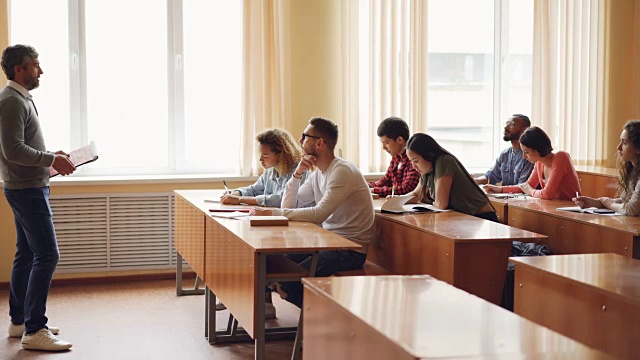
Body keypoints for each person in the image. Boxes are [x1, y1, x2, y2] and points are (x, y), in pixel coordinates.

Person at [251, 117, 375, 307]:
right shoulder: (317, 173)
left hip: (349, 249)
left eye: (304, 136)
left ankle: (332, 323)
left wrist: (274, 213)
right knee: (272, 262)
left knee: (290, 283)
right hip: (328, 243)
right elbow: (290, 205)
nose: (300, 142)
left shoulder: (341, 171)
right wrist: (297, 173)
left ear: (320, 142)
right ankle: (318, 319)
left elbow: (319, 214)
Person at [0, 45, 75, 351]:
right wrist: (50, 160)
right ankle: (34, 329)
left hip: (27, 186)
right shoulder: (12, 101)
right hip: (27, 189)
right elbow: (13, 150)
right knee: (47, 255)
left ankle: (20, 321)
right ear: (19, 69)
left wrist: (51, 156)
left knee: (28, 254)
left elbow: (21, 144)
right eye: (35, 65)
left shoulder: (18, 98)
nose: (40, 71)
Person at [403, 133, 498, 221]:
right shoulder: (427, 170)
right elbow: (416, 195)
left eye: (416, 161)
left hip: (482, 219)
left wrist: (429, 203)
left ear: (429, 155)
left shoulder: (444, 161)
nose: (413, 166)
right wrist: (395, 200)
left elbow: (441, 204)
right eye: (411, 161)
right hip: (463, 219)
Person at [485, 126, 581, 200]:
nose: (524, 156)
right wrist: (500, 189)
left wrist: (530, 191)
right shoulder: (539, 163)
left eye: (527, 152)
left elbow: (547, 194)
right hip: (554, 209)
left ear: (538, 148)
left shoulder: (561, 157)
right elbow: (526, 186)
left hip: (571, 210)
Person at [221, 129, 306, 206]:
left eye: (265, 156)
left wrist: (240, 199)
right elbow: (254, 190)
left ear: (281, 154)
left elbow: (281, 199)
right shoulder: (270, 170)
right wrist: (236, 193)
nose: (260, 159)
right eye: (260, 154)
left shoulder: (299, 171)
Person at [574, 120, 640, 215]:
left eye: (624, 143)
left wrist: (608, 203)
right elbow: (624, 201)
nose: (619, 147)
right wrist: (597, 202)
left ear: (638, 148)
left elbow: (631, 209)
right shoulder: (633, 170)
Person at [474, 114, 534, 185]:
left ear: (524, 130)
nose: (506, 127)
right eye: (506, 124)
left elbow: (523, 186)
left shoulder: (530, 155)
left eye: (511, 124)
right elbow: (492, 176)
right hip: (507, 195)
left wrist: (499, 190)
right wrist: (475, 181)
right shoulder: (505, 154)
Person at [368, 117, 420, 196]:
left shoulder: (414, 158)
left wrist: (374, 190)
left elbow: (407, 188)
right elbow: (386, 180)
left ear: (400, 140)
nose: (384, 148)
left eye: (386, 143)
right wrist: (367, 187)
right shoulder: (396, 157)